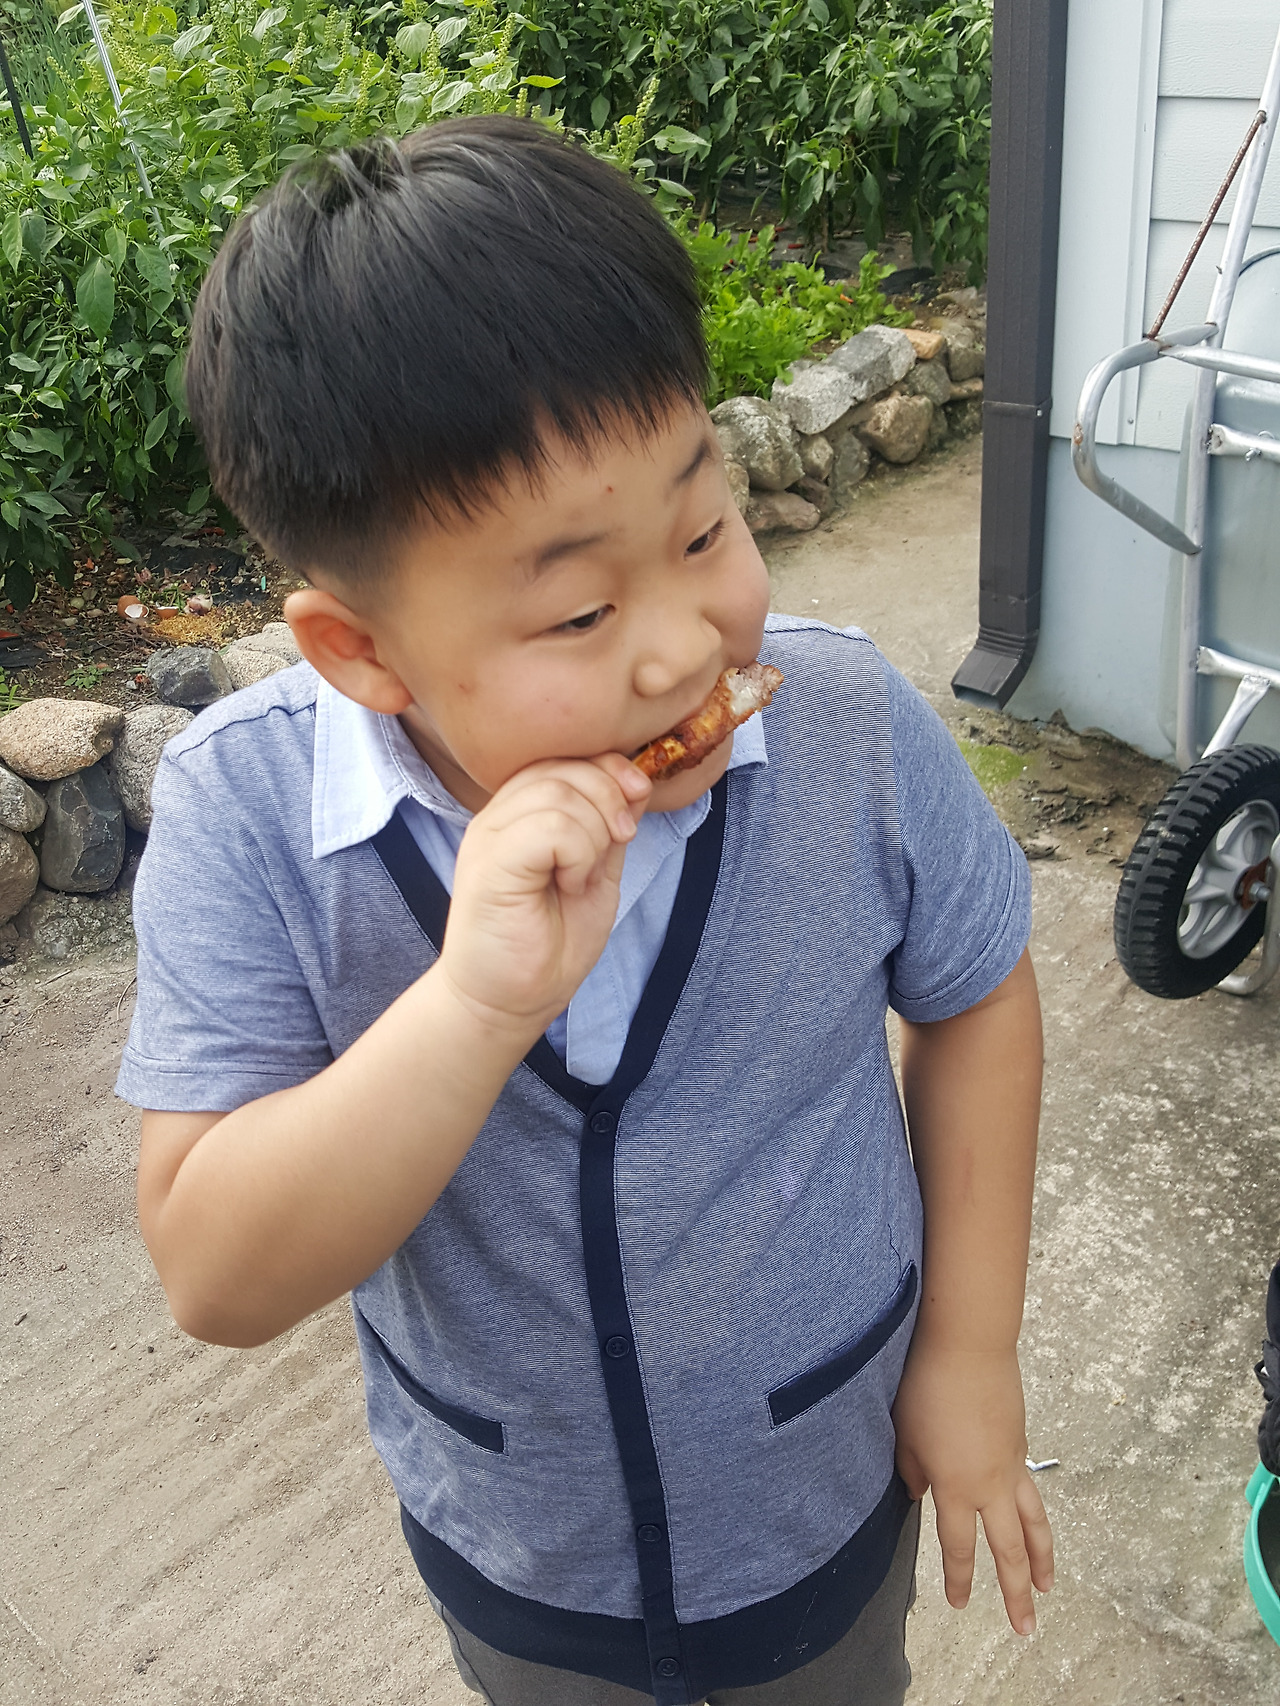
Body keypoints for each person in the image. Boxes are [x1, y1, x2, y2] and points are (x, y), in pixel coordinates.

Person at [119, 116, 1053, 1706]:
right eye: (579, 609)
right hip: (524, 1554)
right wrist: (472, 1006)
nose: (686, 646)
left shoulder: (844, 725)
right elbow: (215, 1271)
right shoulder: (249, 814)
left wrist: (970, 1350)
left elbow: (977, 988)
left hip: (821, 1492)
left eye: (705, 529)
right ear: (361, 652)